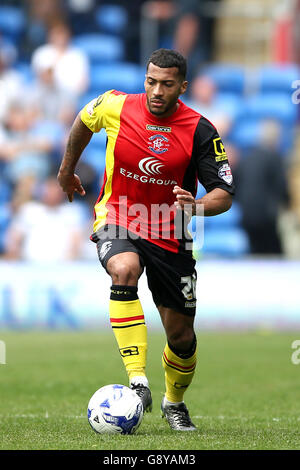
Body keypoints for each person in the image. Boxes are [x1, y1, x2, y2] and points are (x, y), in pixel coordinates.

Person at [57, 49, 234, 431]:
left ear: (182, 87)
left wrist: (197, 205)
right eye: (151, 81)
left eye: (167, 84)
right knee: (124, 269)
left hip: (169, 233)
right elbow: (82, 122)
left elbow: (224, 193)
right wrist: (66, 170)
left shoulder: (200, 129)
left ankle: (174, 403)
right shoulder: (114, 105)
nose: (156, 90)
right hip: (118, 216)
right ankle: (137, 381)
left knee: (182, 337)